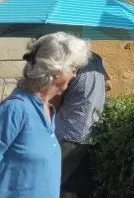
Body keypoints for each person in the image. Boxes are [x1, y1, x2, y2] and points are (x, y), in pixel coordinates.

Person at [0, 33, 90, 198]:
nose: (75, 75)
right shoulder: (15, 109)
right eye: (73, 68)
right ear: (56, 70)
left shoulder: (48, 110)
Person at [55, 52, 109, 198]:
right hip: (91, 132)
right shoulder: (97, 58)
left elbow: (55, 100)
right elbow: (108, 84)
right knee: (72, 188)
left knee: (52, 183)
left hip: (68, 132)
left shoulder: (71, 61)